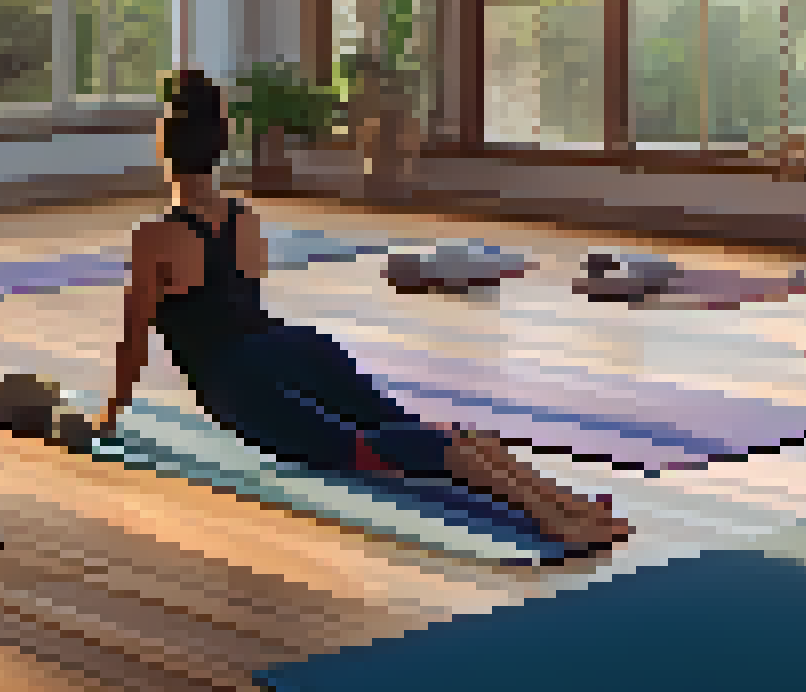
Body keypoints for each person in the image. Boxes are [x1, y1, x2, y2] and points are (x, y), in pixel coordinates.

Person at [97, 69, 631, 552]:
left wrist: (108, 417)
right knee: (403, 425)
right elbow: (239, 297)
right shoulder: (246, 218)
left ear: (165, 148)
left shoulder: (155, 238)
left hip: (243, 383)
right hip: (295, 347)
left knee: (379, 447)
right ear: (220, 145)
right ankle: (572, 502)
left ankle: (552, 519)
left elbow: (134, 340)